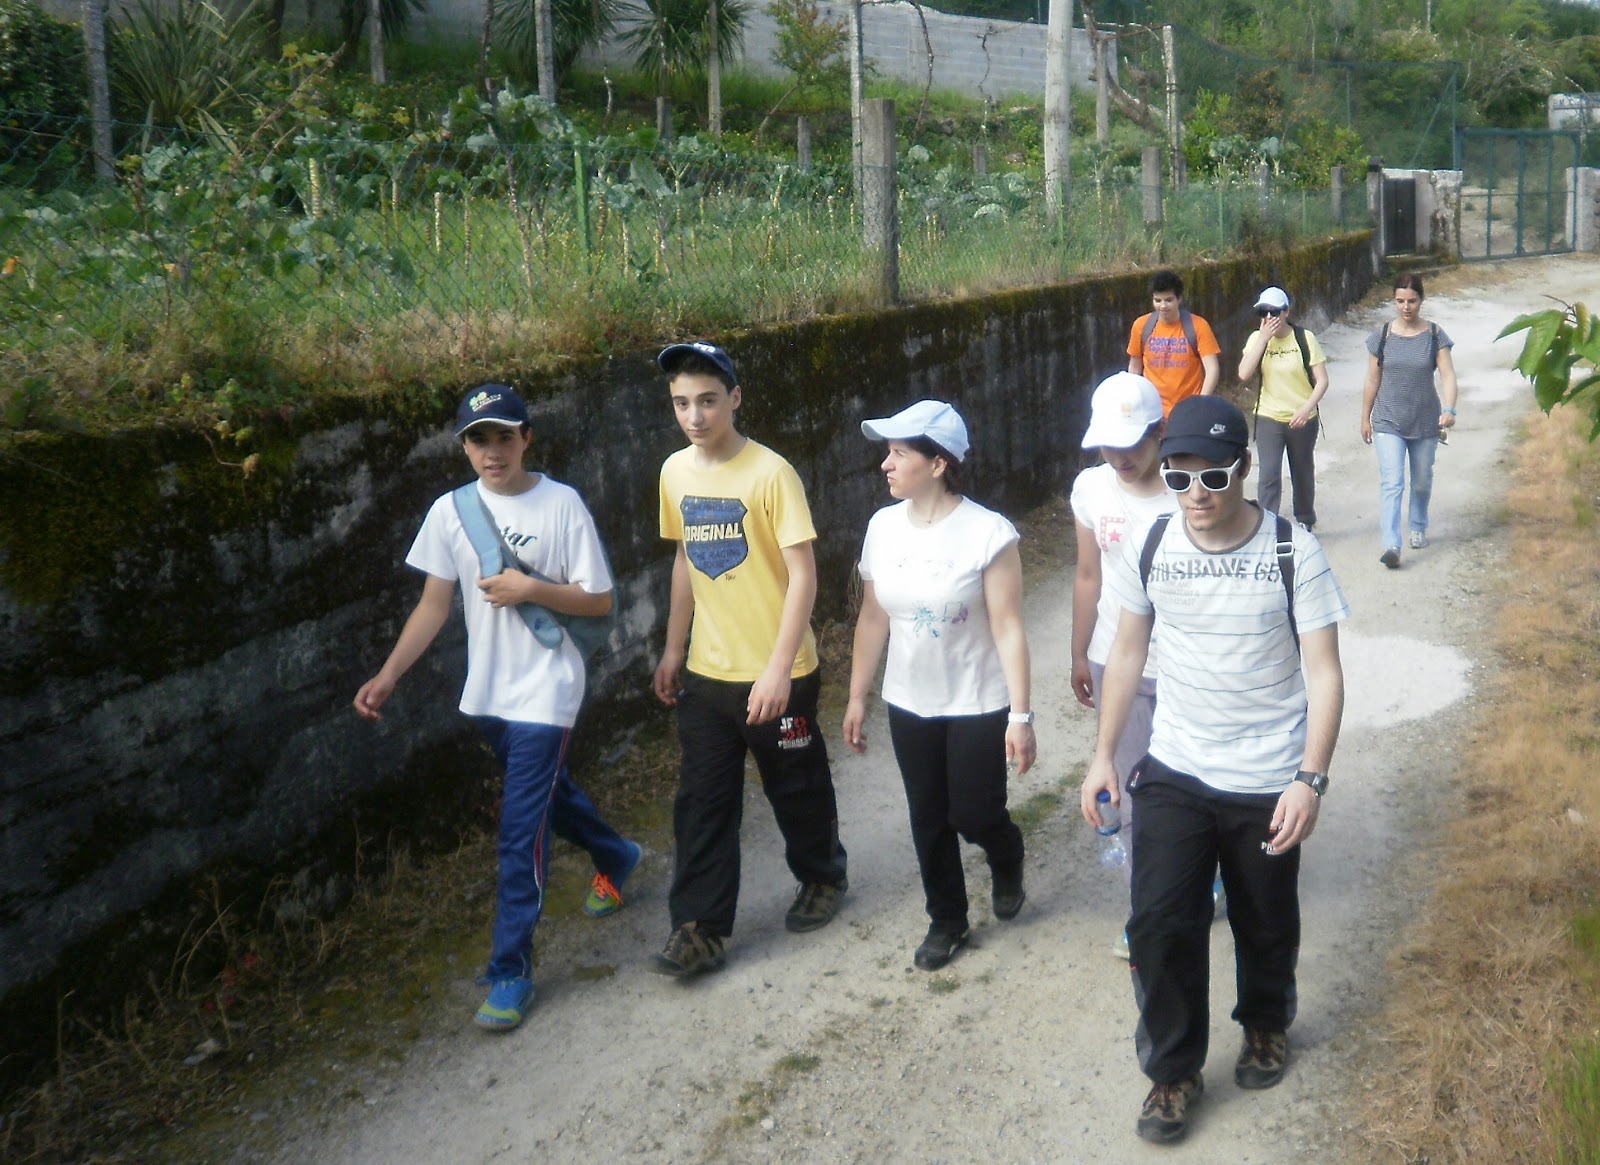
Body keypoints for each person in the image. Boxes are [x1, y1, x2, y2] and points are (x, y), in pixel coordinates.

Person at [1079, 395, 1348, 1144]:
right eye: (1178, 477)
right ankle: (1173, 1069)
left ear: (1245, 468)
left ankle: (1265, 1022)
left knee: (1265, 919)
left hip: (1267, 776)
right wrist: (1103, 755)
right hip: (1177, 766)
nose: (1195, 494)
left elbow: (1325, 673)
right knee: (1159, 923)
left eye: (1213, 477)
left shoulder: (1293, 551)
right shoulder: (1154, 544)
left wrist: (1310, 778)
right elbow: (1127, 651)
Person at [353, 385, 642, 1033]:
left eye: (504, 436)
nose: (492, 451)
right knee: (545, 796)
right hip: (489, 691)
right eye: (478, 439)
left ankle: (511, 968)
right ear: (463, 446)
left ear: (526, 438)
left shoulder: (562, 503)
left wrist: (529, 588)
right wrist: (389, 674)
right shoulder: (450, 511)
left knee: (519, 830)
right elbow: (433, 605)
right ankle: (615, 854)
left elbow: (598, 600)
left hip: (549, 683)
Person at [651, 341, 849, 978]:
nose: (695, 416)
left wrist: (778, 668)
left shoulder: (771, 473)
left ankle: (823, 876)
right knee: (703, 803)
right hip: (708, 674)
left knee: (796, 788)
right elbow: (684, 561)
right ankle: (700, 929)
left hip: (779, 673)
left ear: (734, 399)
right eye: (682, 403)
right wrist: (673, 648)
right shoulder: (674, 473)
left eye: (708, 401)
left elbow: (804, 575)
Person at [842, 400, 1035, 972]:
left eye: (899, 453)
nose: (886, 464)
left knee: (974, 813)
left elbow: (1009, 626)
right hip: (909, 700)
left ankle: (1006, 852)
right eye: (887, 453)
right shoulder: (882, 527)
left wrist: (1021, 716)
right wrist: (856, 696)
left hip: (977, 699)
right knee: (928, 816)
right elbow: (873, 618)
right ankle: (947, 920)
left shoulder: (988, 533)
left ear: (938, 463)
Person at [1068, 372, 1173, 960]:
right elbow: (1089, 574)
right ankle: (1148, 912)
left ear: (1160, 432)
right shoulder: (1091, 489)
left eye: (1132, 443)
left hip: (1184, 665)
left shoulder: (1189, 489)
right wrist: (1079, 651)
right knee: (1130, 789)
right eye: (1109, 444)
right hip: (1116, 658)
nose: (1121, 457)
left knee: (1187, 783)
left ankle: (1203, 875)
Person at [1359, 273, 1459, 568]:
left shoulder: (1435, 335)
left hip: (1425, 421)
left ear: (1421, 300)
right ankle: (1391, 544)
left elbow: (1448, 375)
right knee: (1392, 482)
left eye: (1412, 301)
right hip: (1388, 420)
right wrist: (1365, 418)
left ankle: (1417, 526)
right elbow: (1372, 380)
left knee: (1422, 479)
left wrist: (1450, 409)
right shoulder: (1382, 336)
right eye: (1400, 301)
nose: (1406, 307)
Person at [1238, 285, 1330, 532]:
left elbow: (1322, 380)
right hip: (1269, 415)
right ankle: (1267, 524)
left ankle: (1305, 518)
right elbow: (1244, 373)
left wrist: (1306, 409)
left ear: (1286, 312)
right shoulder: (1257, 340)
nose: (1269, 318)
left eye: (1274, 312)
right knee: (1268, 474)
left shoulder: (1304, 338)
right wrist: (1263, 339)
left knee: (1302, 471)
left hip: (1302, 416)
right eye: (1263, 312)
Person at [1127, 269, 1222, 416]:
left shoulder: (1198, 326)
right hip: (1153, 412)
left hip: (1188, 411)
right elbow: (1134, 368)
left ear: (1179, 299)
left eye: (1169, 300)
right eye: (1157, 300)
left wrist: (1200, 404)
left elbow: (1212, 369)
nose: (1163, 306)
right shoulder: (1141, 326)